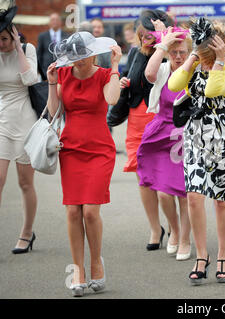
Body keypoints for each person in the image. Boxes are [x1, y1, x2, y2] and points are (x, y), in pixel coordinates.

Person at [46, 31, 122, 296]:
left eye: (83, 57)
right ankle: (77, 269)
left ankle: (96, 262)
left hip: (99, 148)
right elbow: (54, 111)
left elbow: (112, 100)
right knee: (72, 211)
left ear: (93, 54)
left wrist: (114, 67)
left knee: (90, 211)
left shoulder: (103, 74)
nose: (79, 62)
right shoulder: (63, 75)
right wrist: (50, 83)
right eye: (75, 57)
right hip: (70, 148)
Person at [168, 18, 225, 284]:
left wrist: (220, 59)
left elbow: (212, 90)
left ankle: (223, 254)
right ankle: (202, 255)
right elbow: (174, 86)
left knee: (221, 200)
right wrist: (190, 60)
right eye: (198, 45)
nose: (200, 49)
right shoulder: (196, 61)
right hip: (195, 137)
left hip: (224, 137)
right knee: (194, 196)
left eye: (204, 46)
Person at [119, 10, 173, 251]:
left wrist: (164, 41)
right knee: (143, 178)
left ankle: (174, 226)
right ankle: (155, 228)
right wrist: (123, 81)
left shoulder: (171, 52)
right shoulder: (134, 53)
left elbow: (166, 78)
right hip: (136, 119)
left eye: (149, 33)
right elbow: (133, 78)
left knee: (164, 176)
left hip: (160, 118)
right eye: (142, 33)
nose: (145, 38)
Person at [138, 27, 192, 260]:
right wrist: (162, 45)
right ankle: (175, 230)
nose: (178, 56)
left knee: (186, 193)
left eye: (182, 52)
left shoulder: (194, 71)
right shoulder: (162, 69)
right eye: (174, 52)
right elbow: (148, 74)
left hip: (187, 134)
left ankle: (186, 239)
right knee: (163, 193)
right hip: (161, 133)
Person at [0, 2, 39, 255]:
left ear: (13, 34)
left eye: (4, 39)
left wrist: (18, 48)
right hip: (1, 122)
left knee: (25, 182)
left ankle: (26, 233)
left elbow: (30, 79)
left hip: (25, 121)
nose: (1, 44)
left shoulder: (27, 48)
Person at [36, 12, 69, 80]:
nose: (55, 22)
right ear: (49, 23)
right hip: (46, 72)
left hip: (63, 71)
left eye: (57, 20)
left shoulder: (67, 36)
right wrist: (41, 72)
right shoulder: (42, 36)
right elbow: (39, 55)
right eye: (52, 20)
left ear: (60, 22)